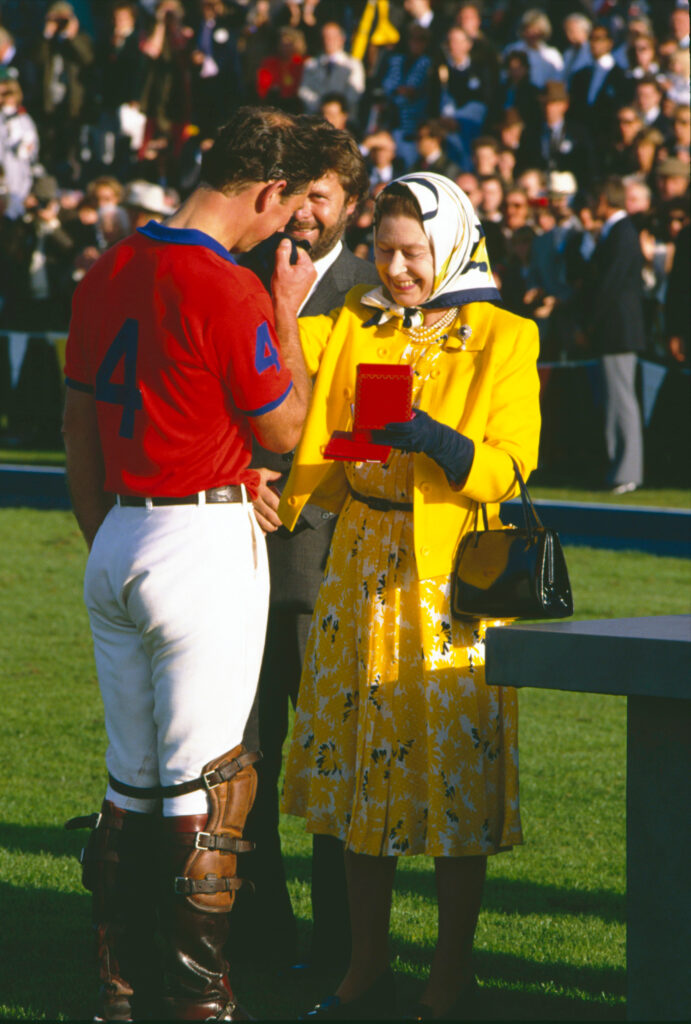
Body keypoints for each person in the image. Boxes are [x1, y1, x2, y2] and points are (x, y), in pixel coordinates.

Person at [61, 105, 331, 1022]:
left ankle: (119, 988)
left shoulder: (108, 264)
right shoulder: (226, 284)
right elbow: (285, 429)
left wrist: (106, 534)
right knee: (206, 787)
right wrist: (286, 313)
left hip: (122, 535)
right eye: (283, 207)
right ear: (265, 190)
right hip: (199, 533)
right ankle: (195, 1002)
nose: (282, 226)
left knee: (129, 782)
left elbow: (76, 419)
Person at [273, 171, 540, 1019]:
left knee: (451, 777)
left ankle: (449, 977)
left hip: (449, 581)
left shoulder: (504, 334)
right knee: (359, 777)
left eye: (412, 252)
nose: (394, 269)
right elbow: (285, 395)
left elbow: (511, 465)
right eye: (383, 251)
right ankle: (361, 971)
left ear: (451, 244)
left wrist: (436, 442)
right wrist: (285, 308)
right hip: (357, 564)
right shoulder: (356, 322)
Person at [233, 120, 380, 971]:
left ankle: (337, 951)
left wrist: (295, 465)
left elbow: (372, 439)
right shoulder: (236, 280)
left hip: (330, 568)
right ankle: (255, 937)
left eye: (317, 195)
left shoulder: (376, 295)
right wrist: (242, 464)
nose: (300, 212)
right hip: (238, 560)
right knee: (245, 762)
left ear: (349, 206)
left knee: (331, 775)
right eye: (291, 194)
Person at [585, 175, 645, 493]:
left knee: (622, 401)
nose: (592, 207)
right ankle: (616, 468)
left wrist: (590, 322)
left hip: (618, 330)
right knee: (614, 401)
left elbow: (609, 285)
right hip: (612, 331)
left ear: (605, 200)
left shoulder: (622, 233)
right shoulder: (615, 232)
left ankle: (628, 471)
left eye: (596, 200)